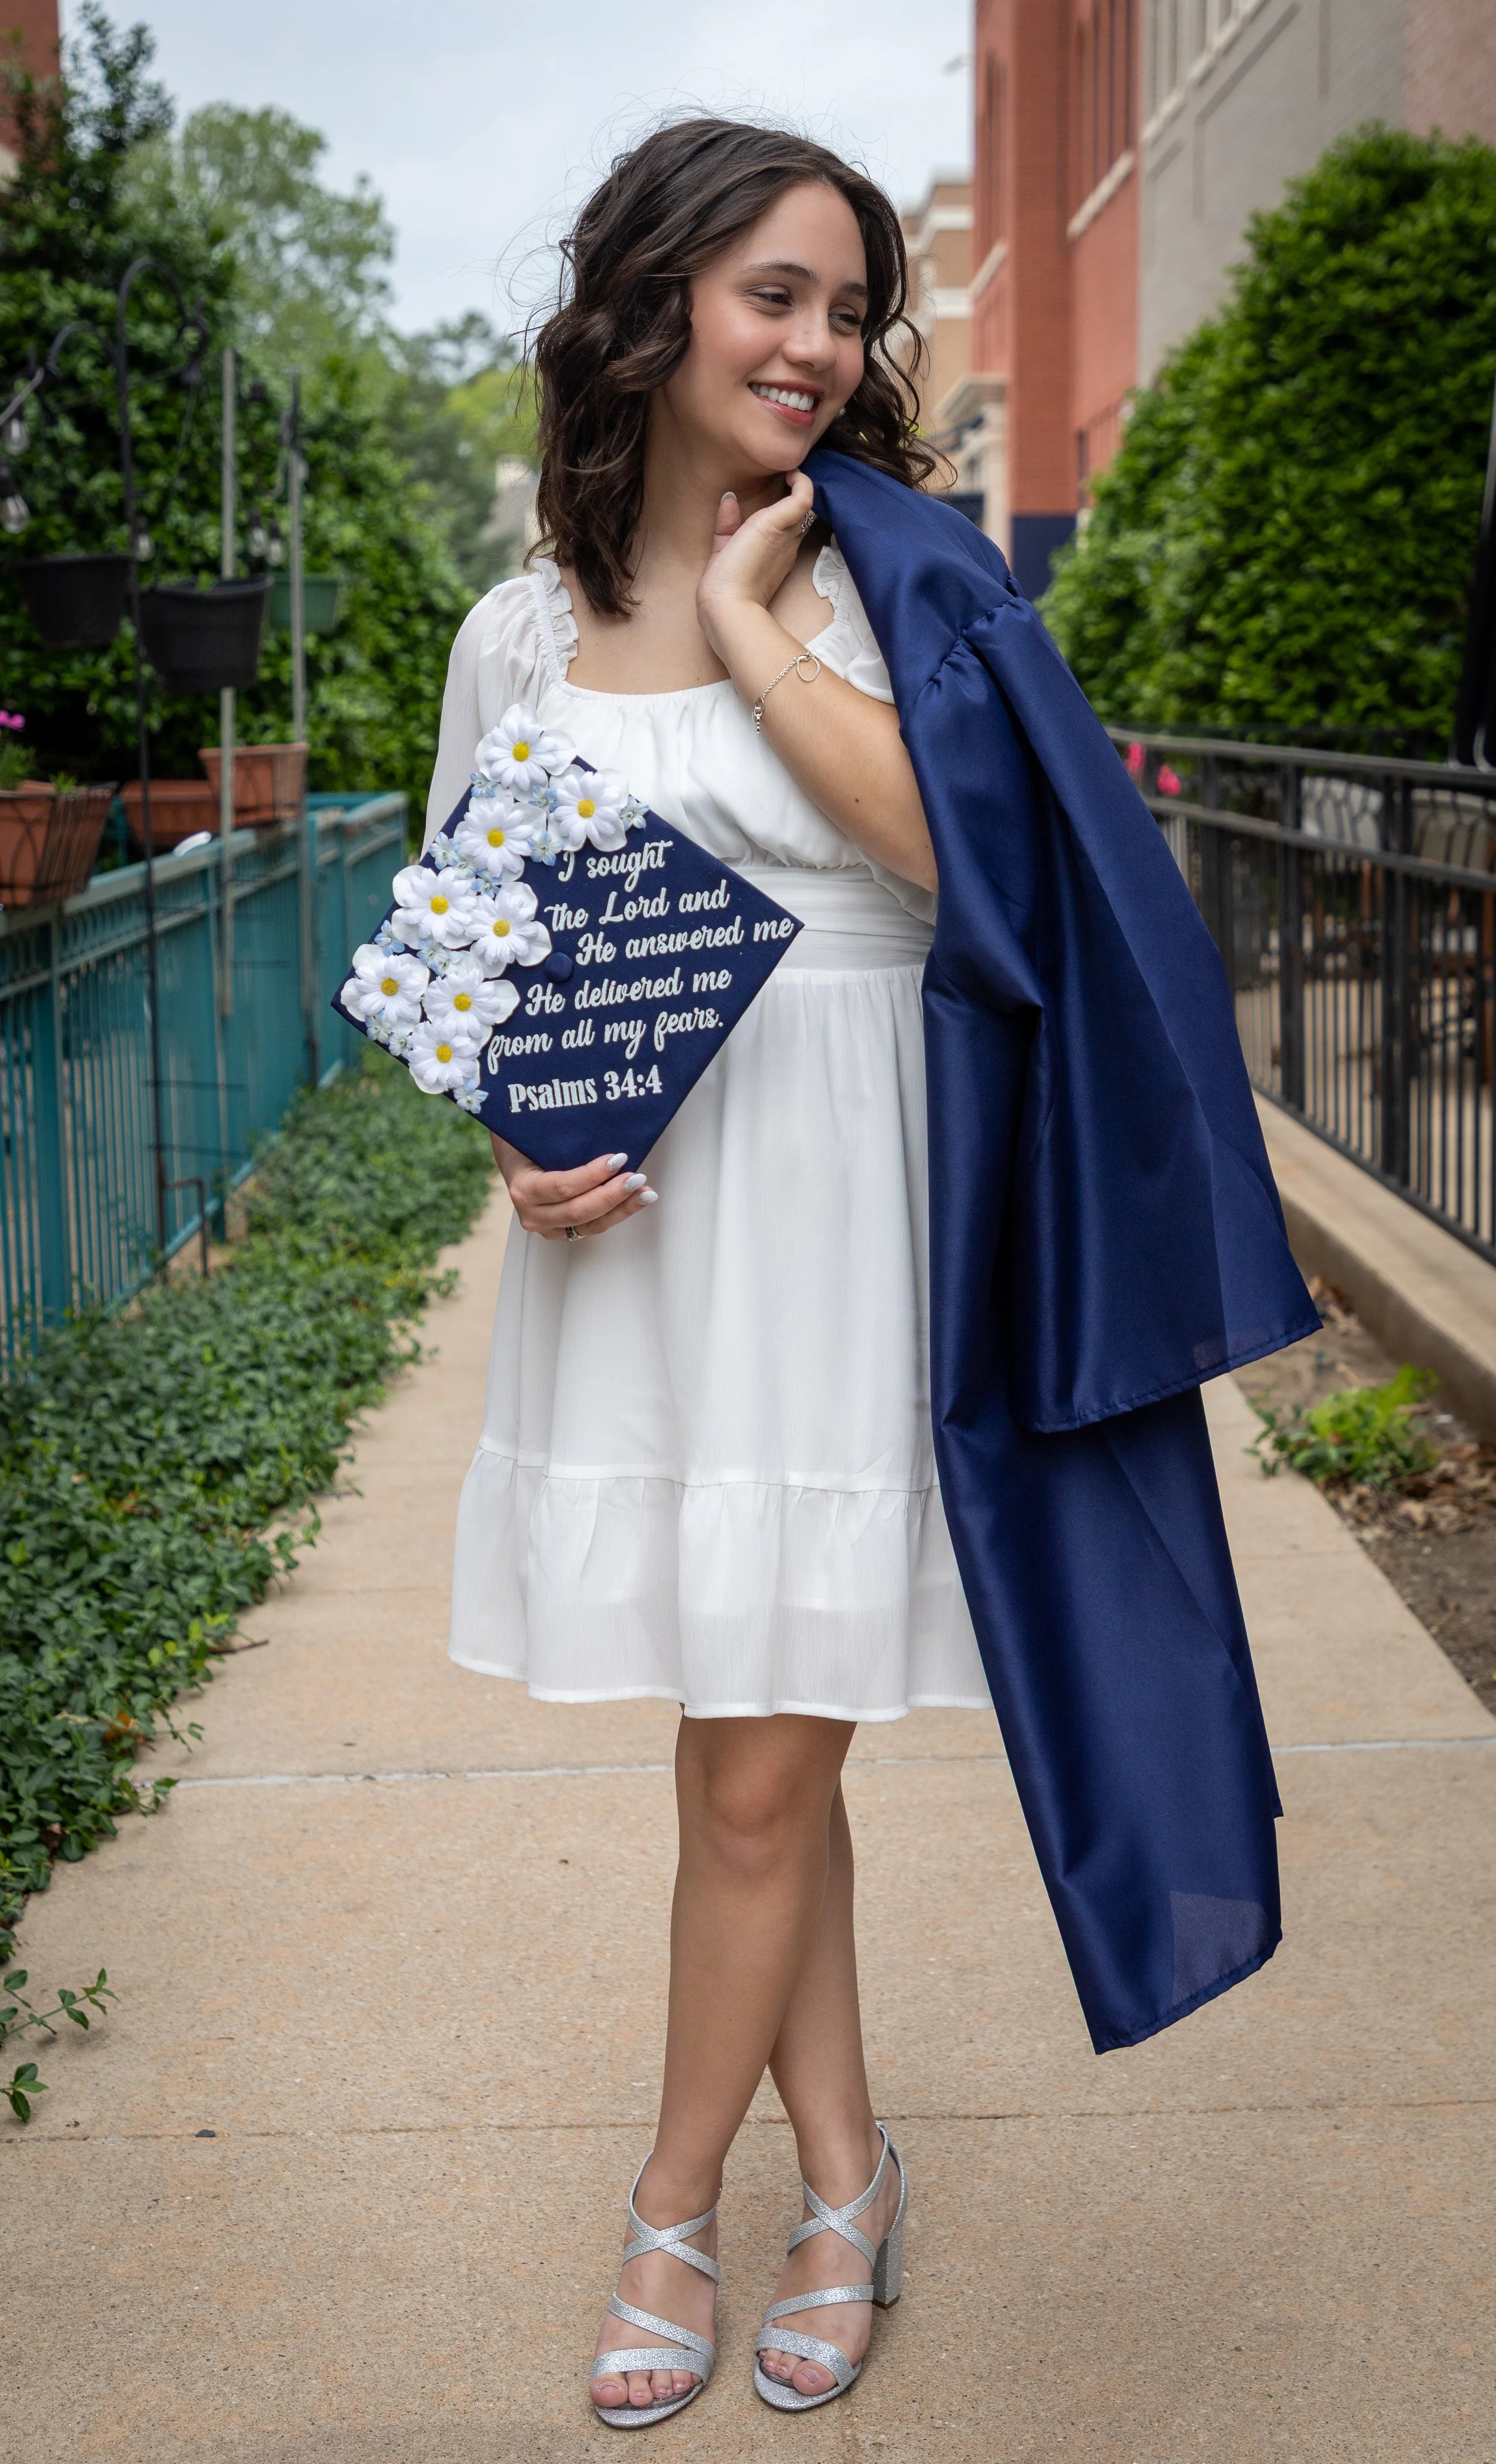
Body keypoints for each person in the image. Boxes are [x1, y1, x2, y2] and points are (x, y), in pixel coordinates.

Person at [424, 119, 983, 2424]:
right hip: (638, 1244)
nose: (817, 343)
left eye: (846, 308)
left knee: (749, 1773)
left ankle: (674, 2201)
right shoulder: (510, 627)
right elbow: (465, 954)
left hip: (838, 1218)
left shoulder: (890, 578)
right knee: (753, 1743)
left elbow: (965, 859)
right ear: (652, 307)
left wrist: (752, 624)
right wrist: (517, 1136)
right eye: (775, 293)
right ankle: (843, 2170)